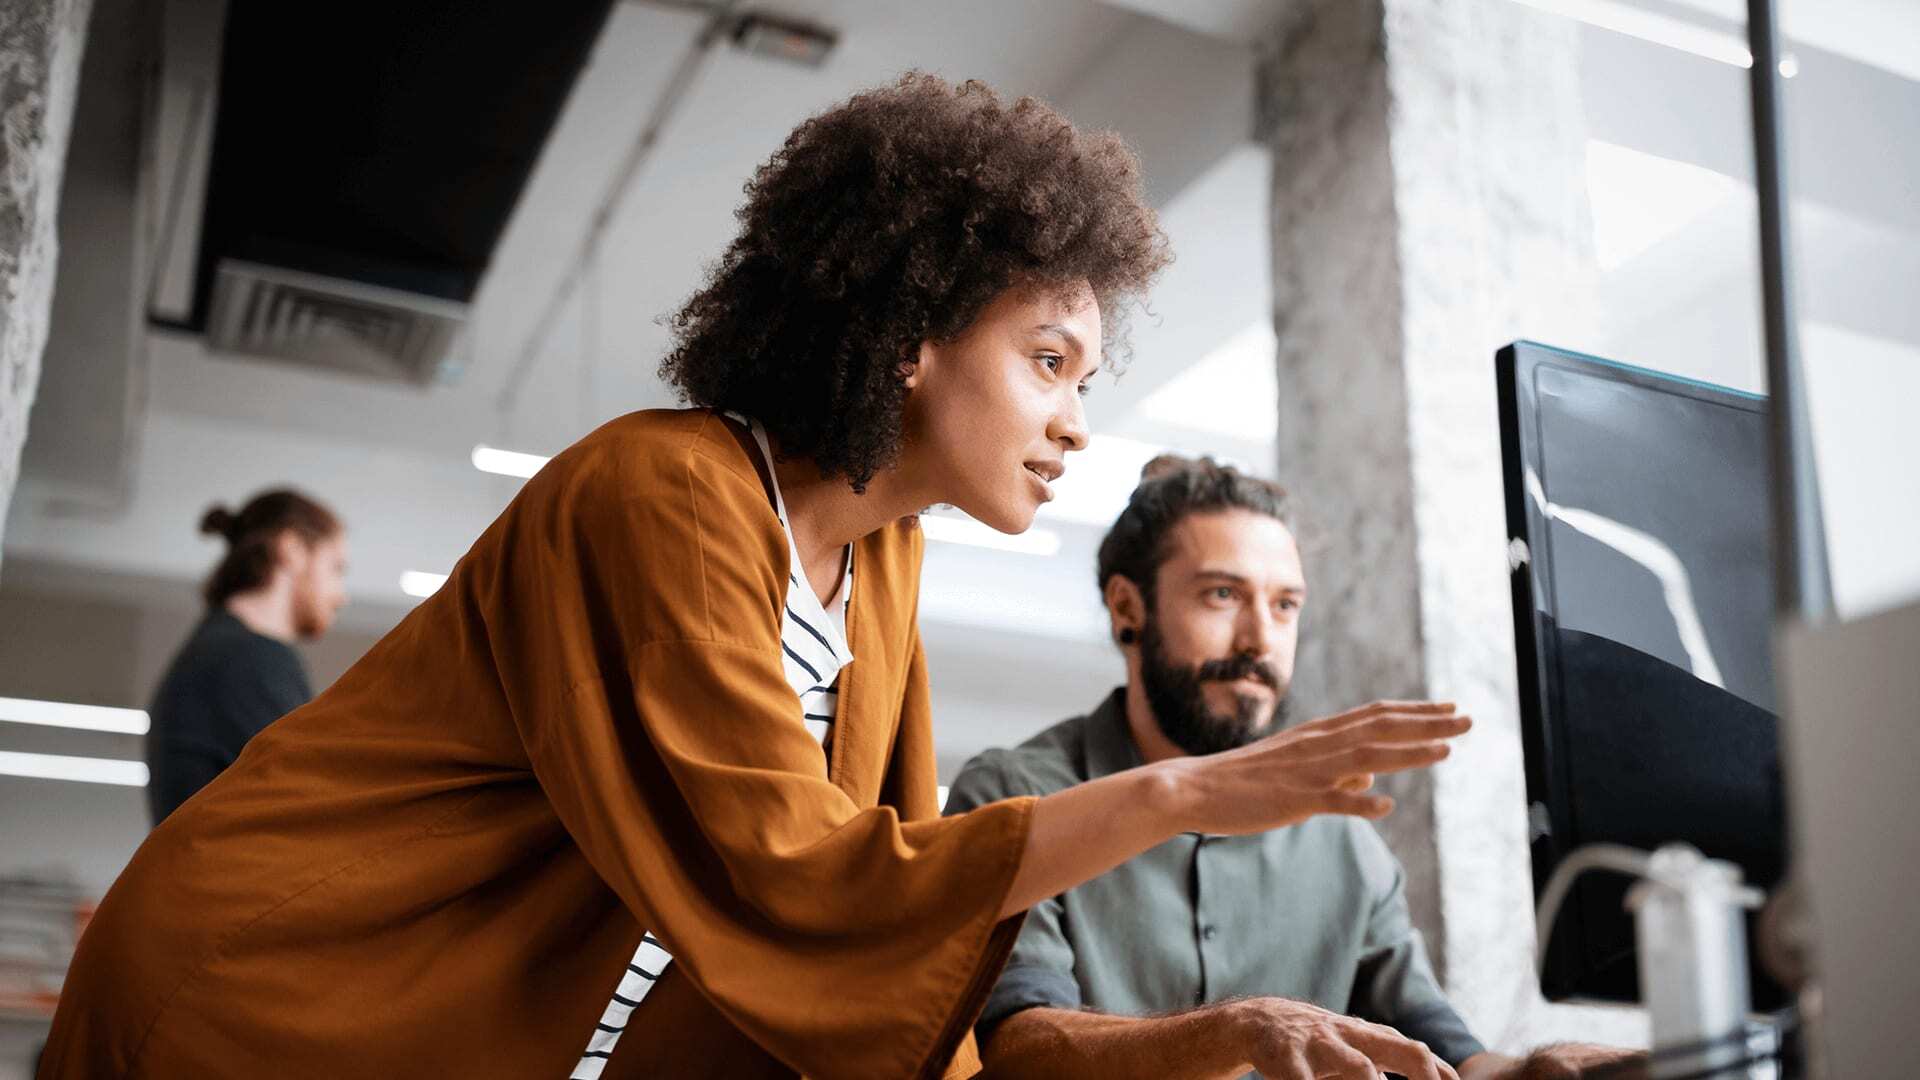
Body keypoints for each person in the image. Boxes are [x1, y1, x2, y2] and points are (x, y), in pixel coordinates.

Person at [40, 76, 1470, 1079]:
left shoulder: (880, 562)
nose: (1076, 423)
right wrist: (1185, 794)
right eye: (1047, 362)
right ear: (912, 330)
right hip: (268, 995)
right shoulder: (658, 492)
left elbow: (892, 914)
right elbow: (801, 880)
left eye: (1086, 379)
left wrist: (1206, 1033)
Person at [946, 456, 1644, 1080]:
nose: (1259, 641)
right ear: (1128, 607)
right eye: (1222, 595)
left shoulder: (1342, 836)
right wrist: (1237, 1030)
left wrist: (1531, 1072)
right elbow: (1018, 1049)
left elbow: (1440, 1044)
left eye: (1284, 606)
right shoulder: (1016, 795)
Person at [145, 489, 347, 824]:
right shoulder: (248, 657)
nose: (342, 596)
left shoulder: (219, 651)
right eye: (337, 568)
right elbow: (313, 807)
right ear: (293, 549)